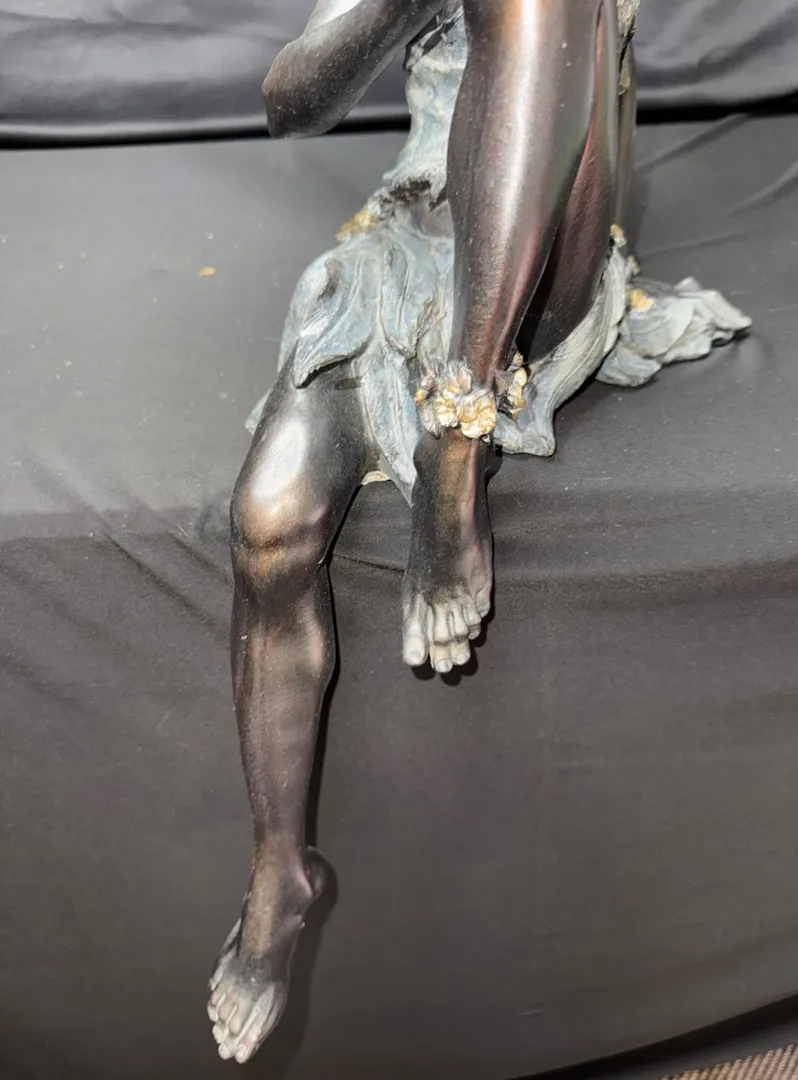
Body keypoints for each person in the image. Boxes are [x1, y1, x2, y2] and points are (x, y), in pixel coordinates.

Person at [207, 0, 747, 1062]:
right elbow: (290, 101)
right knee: (267, 528)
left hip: (543, 268)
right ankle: (279, 872)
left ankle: (455, 441)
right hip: (413, 243)